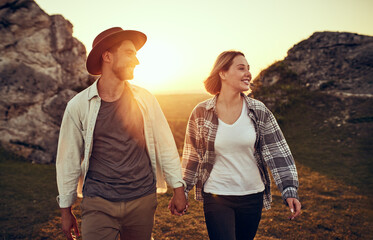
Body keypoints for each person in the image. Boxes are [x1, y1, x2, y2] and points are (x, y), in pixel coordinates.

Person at [56, 27, 187, 240]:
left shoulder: (145, 99)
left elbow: (165, 145)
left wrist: (178, 189)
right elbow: (67, 160)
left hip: (142, 199)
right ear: (107, 56)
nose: (136, 61)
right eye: (129, 53)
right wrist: (65, 209)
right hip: (98, 201)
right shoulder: (78, 106)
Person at [179, 51, 301, 240]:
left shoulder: (259, 111)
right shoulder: (202, 112)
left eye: (248, 69)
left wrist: (289, 190)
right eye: (241, 68)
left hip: (252, 196)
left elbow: (278, 151)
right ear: (223, 73)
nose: (248, 73)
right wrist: (182, 190)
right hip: (217, 195)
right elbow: (192, 155)